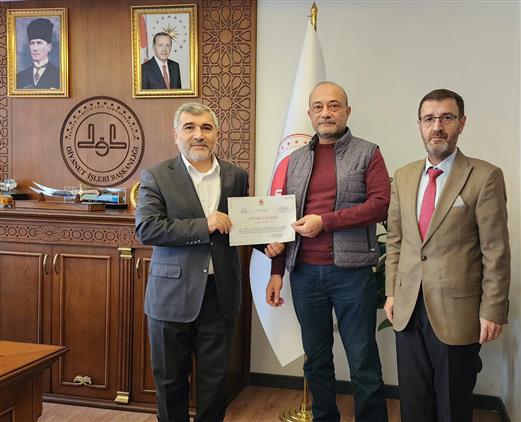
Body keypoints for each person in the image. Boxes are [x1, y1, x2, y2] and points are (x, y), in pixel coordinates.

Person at [266, 81, 390, 422]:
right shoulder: (293, 160)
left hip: (352, 274)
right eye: (318, 106)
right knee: (316, 359)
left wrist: (325, 222)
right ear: (309, 114)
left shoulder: (368, 152)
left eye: (334, 105)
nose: (326, 112)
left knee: (363, 360)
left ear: (347, 112)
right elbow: (282, 218)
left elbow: (380, 205)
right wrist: (276, 271)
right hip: (304, 274)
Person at [384, 89, 511, 422]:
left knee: (453, 406)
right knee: (414, 402)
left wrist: (493, 309)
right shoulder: (403, 176)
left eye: (447, 118)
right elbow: (396, 240)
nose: (437, 126)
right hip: (408, 309)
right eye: (429, 119)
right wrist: (392, 292)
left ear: (462, 123)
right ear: (420, 125)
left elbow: (495, 250)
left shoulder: (484, 176)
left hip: (457, 312)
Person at [135, 102, 248, 422]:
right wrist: (204, 225)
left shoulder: (236, 176)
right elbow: (147, 228)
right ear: (176, 135)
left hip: (219, 293)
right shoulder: (157, 176)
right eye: (190, 128)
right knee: (170, 381)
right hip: (171, 295)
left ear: (216, 134)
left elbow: (239, 225)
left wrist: (270, 242)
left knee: (215, 383)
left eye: (206, 128)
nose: (199, 135)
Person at [16, 18, 60, 89]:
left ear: (49, 47)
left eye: (39, 43)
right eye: (32, 43)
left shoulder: (59, 75)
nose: (35, 48)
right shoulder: (20, 77)